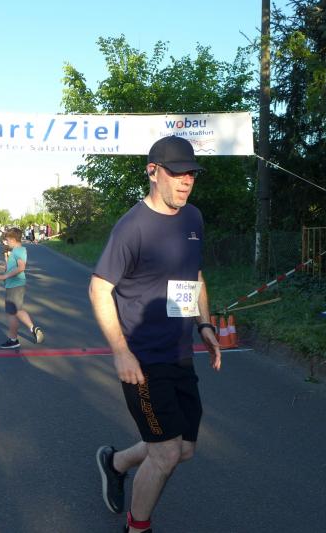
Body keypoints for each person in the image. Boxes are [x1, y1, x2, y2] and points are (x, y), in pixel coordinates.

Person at [88, 136, 222, 533]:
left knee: (184, 449)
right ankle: (137, 527)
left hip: (180, 352)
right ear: (152, 172)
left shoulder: (193, 218)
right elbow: (99, 288)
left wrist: (205, 325)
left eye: (191, 174)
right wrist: (121, 351)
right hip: (143, 359)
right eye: (177, 173)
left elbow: (195, 276)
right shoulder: (133, 227)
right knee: (165, 454)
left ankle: (115, 462)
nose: (186, 181)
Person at [0, 227, 45, 349]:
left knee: (12, 313)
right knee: (18, 310)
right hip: (15, 284)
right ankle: (33, 329)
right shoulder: (19, 250)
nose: (6, 242)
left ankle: (13, 340)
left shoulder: (17, 251)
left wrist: (3, 276)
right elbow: (15, 265)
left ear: (13, 239)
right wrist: (6, 264)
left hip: (14, 284)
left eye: (7, 240)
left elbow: (21, 267)